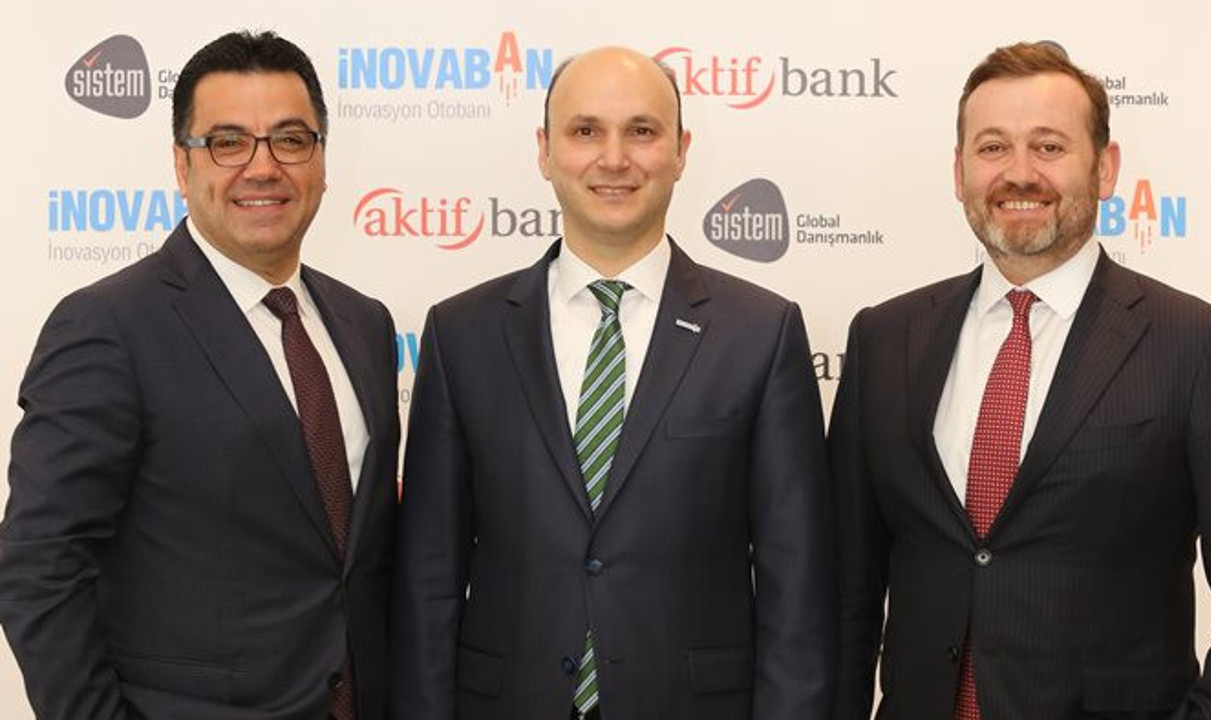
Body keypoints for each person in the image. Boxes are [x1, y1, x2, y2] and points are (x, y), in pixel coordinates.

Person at [829, 40, 1211, 720]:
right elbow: (845, 594)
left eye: (1048, 146)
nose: (1019, 173)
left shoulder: (1196, 347)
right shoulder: (884, 340)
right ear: (958, 171)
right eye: (992, 148)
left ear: (1105, 167)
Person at [390, 46, 833, 720]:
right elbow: (429, 578)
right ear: (545, 151)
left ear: (681, 151)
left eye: (642, 131)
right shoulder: (461, 335)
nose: (615, 158)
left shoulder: (761, 334)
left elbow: (795, 581)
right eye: (585, 131)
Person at [0, 30, 399, 720]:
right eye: (227, 142)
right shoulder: (109, 325)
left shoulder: (364, 323)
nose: (262, 167)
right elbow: (40, 566)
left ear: (322, 160)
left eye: (290, 140)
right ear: (181, 166)